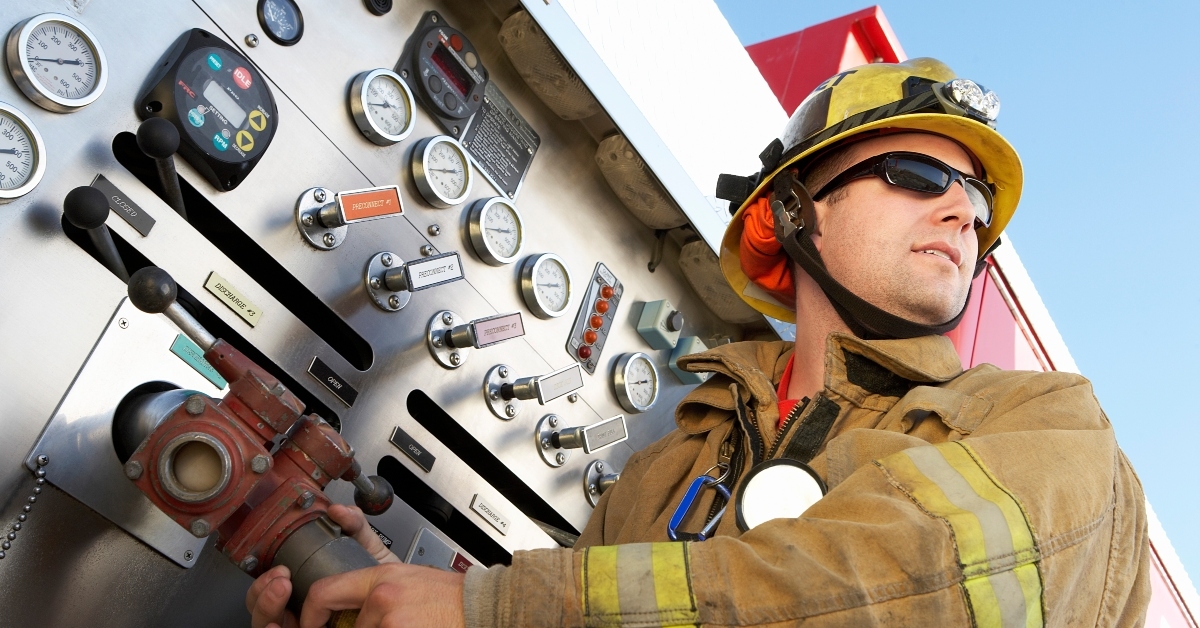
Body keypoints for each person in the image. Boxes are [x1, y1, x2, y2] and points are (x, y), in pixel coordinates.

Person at [248, 58, 1151, 627]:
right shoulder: (665, 468)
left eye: (977, 203)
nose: (962, 210)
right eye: (916, 175)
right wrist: (383, 598)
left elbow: (902, 588)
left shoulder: (1045, 426)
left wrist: (492, 608)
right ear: (794, 210)